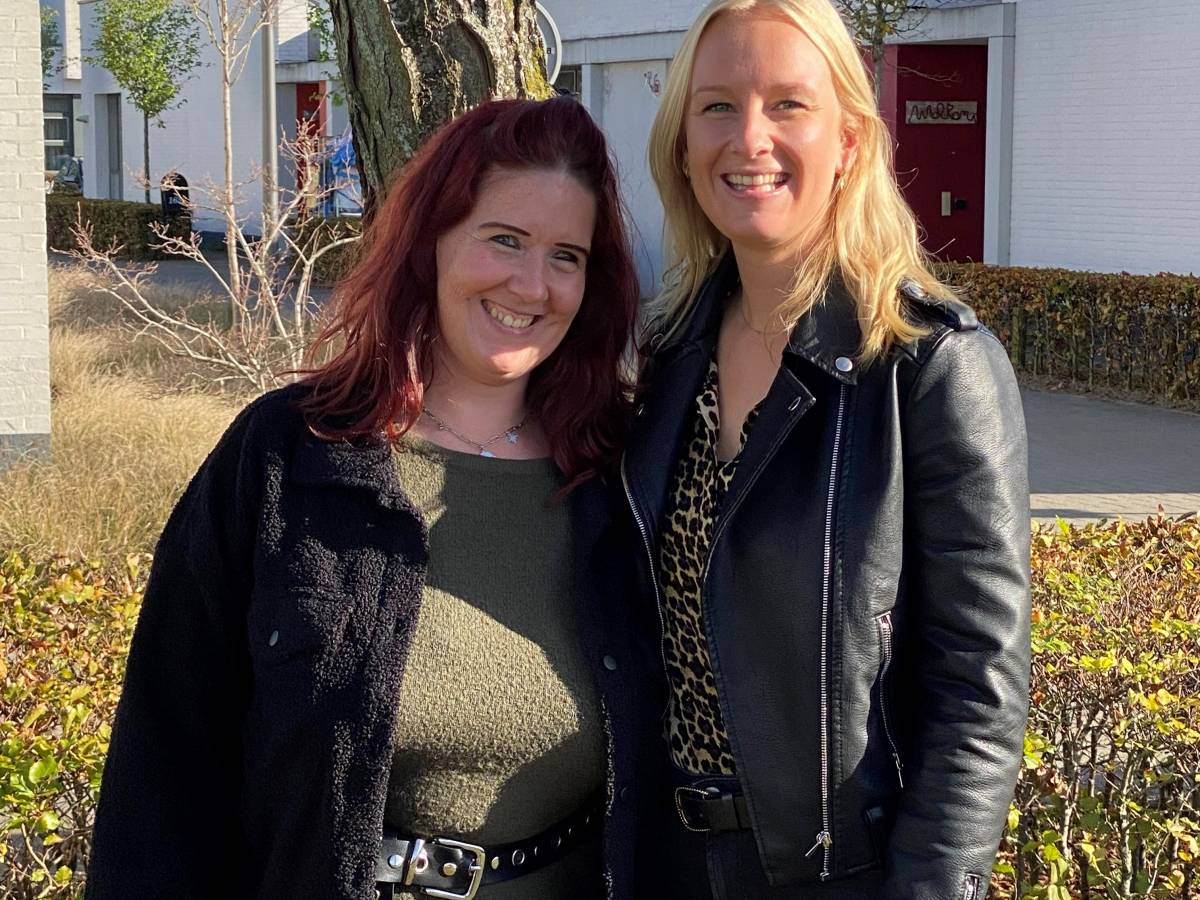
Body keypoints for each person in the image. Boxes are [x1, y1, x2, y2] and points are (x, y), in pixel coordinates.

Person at [85, 97, 646, 900]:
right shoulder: (288, 456)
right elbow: (165, 758)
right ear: (431, 242)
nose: (533, 284)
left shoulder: (621, 477)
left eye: (567, 256)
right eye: (504, 239)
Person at [622, 1, 1031, 897]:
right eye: (717, 106)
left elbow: (978, 689)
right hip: (668, 862)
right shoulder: (668, 359)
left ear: (849, 139)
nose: (749, 137)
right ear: (683, 145)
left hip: (840, 876)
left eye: (788, 104)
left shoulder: (930, 367)